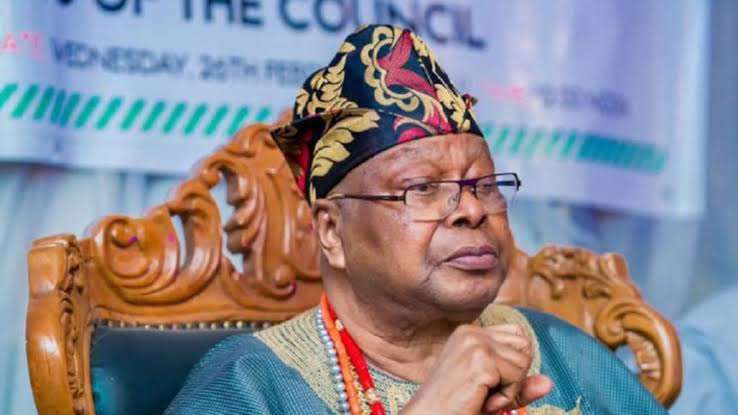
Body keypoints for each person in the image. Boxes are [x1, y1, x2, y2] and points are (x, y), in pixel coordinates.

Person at [165, 24, 667, 415]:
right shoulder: (252, 384)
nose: (472, 209)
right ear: (332, 232)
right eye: (423, 189)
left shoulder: (560, 352)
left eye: (484, 185)